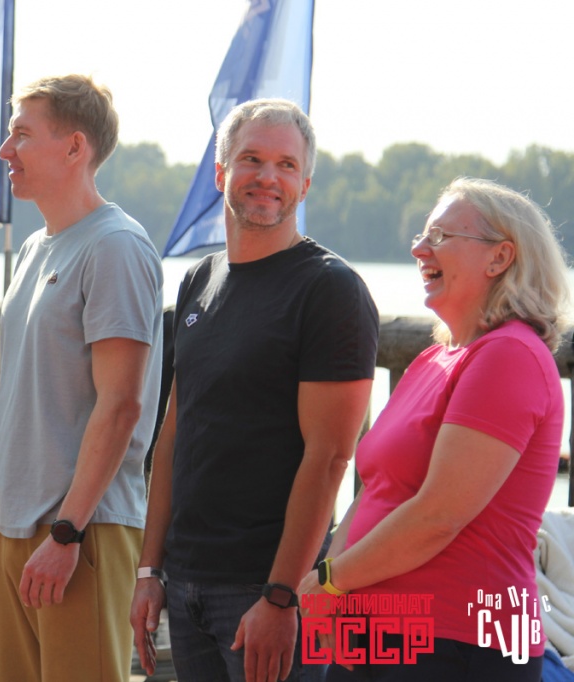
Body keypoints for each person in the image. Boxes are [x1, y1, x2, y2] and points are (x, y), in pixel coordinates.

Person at [130, 98, 379, 682]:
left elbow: (329, 459)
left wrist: (282, 594)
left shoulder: (329, 290)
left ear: (305, 184)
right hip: (185, 582)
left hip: (263, 590)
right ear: (221, 174)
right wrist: (149, 570)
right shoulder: (199, 279)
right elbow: (174, 433)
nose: (268, 177)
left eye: (286, 165)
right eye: (252, 159)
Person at [297, 178, 570, 681]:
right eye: (422, 235)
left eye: (440, 236)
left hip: (460, 641)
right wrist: (329, 595)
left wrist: (330, 582)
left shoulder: (510, 355)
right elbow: (375, 490)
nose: (419, 248)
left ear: (500, 257)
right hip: (380, 632)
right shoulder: (433, 359)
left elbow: (439, 515)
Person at [0, 74, 164, 682]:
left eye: (21, 135)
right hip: (16, 529)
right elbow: (14, 398)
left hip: (82, 532)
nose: (4, 151)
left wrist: (67, 534)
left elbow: (121, 406)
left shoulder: (116, 247)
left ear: (74, 147)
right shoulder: (34, 250)